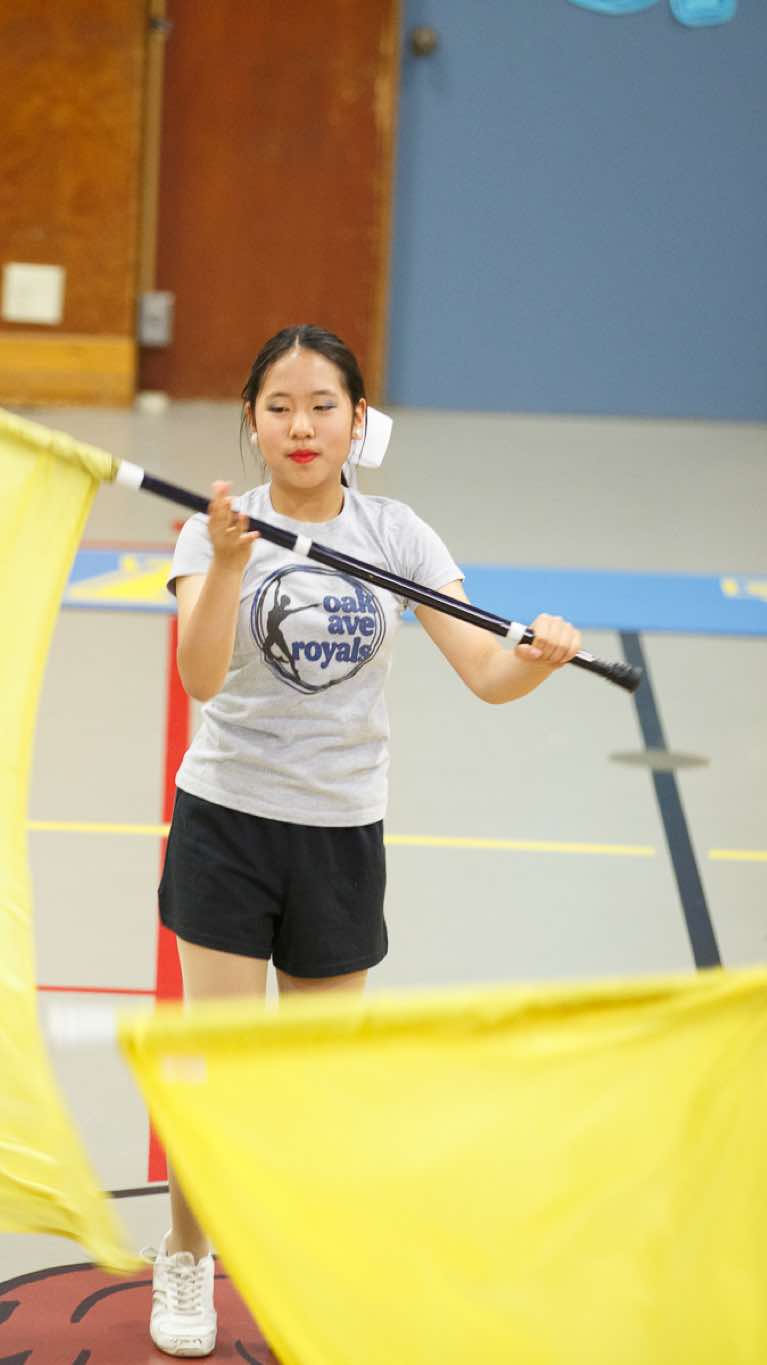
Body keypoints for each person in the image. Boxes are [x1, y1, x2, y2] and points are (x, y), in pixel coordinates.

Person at [146, 324, 583, 1356]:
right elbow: (199, 677)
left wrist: (539, 658)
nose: (301, 427)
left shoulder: (396, 536)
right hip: (227, 822)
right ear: (251, 420)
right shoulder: (213, 531)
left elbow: (485, 672)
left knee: (315, 1083)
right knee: (219, 1068)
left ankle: (302, 1267)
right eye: (279, 407)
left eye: (322, 406)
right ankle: (187, 1254)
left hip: (340, 833)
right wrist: (225, 564)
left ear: (357, 421)